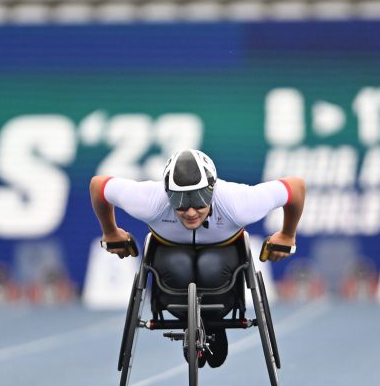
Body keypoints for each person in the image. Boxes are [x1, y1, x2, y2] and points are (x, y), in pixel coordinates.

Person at [90, 148, 305, 368]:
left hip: (223, 272)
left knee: (209, 266)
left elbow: (296, 187)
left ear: (212, 190)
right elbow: (98, 185)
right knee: (179, 265)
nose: (191, 211)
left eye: (199, 199)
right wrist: (110, 231)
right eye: (180, 201)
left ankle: (213, 324)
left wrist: (288, 234)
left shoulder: (239, 203)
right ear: (167, 192)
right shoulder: (151, 200)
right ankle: (193, 323)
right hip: (171, 272)